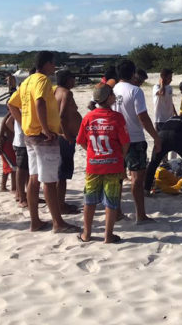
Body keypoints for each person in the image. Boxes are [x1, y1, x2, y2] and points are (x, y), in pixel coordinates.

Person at [7, 51, 78, 234]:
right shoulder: (42, 80)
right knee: (49, 181)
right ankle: (58, 223)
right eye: (53, 63)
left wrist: (24, 123)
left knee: (34, 178)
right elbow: (39, 102)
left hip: (30, 136)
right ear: (46, 64)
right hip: (43, 137)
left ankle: (35, 221)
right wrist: (46, 128)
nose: (55, 67)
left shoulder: (27, 81)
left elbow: (11, 104)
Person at [76, 84, 129, 244]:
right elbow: (125, 142)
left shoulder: (88, 117)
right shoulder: (117, 117)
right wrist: (120, 155)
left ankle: (86, 233)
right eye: (112, 93)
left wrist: (93, 152)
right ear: (108, 98)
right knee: (111, 201)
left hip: (93, 165)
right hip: (113, 165)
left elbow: (81, 141)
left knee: (90, 200)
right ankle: (108, 235)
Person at [112, 59, 161, 224]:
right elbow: (143, 117)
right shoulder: (135, 91)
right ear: (133, 73)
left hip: (117, 139)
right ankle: (140, 215)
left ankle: (117, 212)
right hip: (134, 139)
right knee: (137, 179)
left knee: (118, 177)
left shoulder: (112, 90)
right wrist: (156, 136)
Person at [144, 114, 182, 199]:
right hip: (177, 137)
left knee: (153, 163)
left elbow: (162, 130)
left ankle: (146, 190)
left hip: (161, 137)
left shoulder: (171, 118)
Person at [55, 70, 81, 214]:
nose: (75, 81)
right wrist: (67, 134)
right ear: (67, 79)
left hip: (58, 135)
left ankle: (59, 202)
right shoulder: (66, 93)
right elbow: (62, 116)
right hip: (65, 137)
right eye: (73, 78)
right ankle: (61, 205)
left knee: (60, 172)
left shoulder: (56, 91)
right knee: (63, 173)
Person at [0, 112, 18, 195]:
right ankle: (13, 188)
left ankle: (3, 186)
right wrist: (1, 148)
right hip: (7, 145)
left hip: (8, 144)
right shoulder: (9, 117)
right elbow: (1, 134)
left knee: (7, 166)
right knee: (13, 167)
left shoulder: (10, 116)